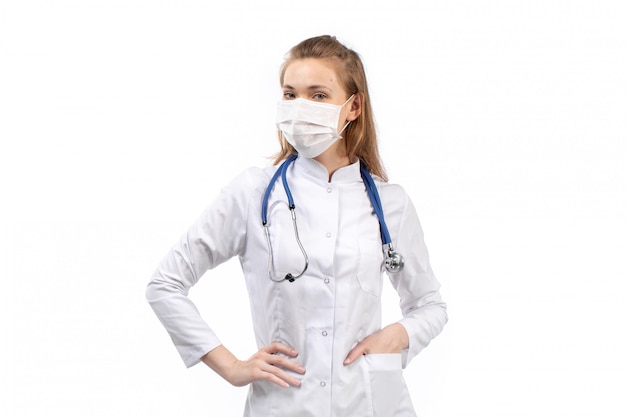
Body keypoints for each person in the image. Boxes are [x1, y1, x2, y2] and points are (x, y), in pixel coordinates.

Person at [146, 35, 447, 417]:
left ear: (353, 106)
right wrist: (231, 367)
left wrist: (398, 335)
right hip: (284, 405)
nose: (301, 107)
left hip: (371, 403)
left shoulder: (390, 203)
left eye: (318, 95)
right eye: (290, 95)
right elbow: (165, 284)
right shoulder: (253, 192)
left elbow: (429, 305)